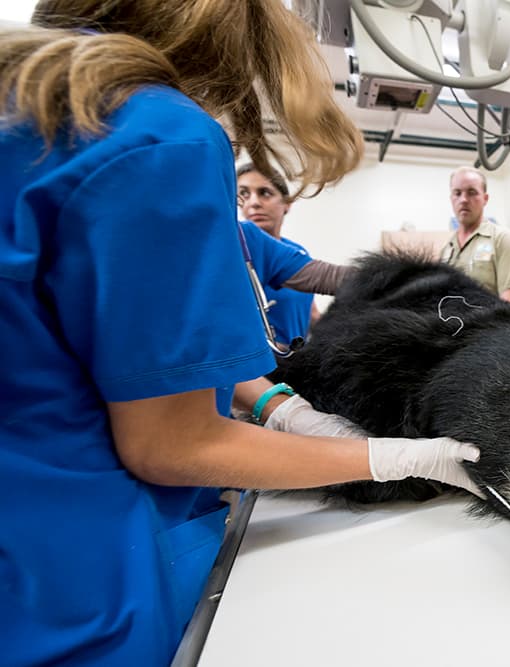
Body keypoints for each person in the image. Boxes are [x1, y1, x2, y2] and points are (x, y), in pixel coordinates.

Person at [0, 2, 480, 665]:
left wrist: (273, 404)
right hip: (79, 584)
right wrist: (390, 457)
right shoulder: (158, 135)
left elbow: (118, 350)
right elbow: (170, 440)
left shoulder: (35, 117)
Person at [237, 163, 323, 347]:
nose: (253, 202)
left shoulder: (297, 251)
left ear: (287, 203)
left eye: (265, 193)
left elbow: (310, 311)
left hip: (296, 365)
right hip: (259, 369)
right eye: (244, 194)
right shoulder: (235, 258)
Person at [441, 166, 510, 302]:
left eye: (471, 192)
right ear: (451, 198)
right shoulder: (446, 249)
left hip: (499, 321)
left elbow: (507, 301)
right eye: (457, 193)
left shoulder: (502, 239)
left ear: (485, 199)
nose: (463, 199)